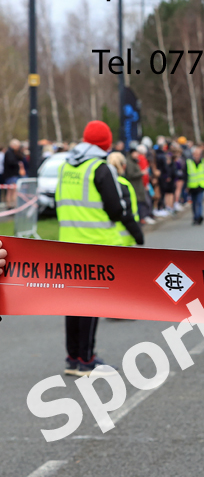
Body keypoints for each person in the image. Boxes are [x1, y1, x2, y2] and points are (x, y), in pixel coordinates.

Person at [56, 121, 140, 376]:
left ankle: (72, 357)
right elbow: (116, 209)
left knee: (72, 304)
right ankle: (86, 359)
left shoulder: (65, 166)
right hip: (94, 245)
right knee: (92, 303)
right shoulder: (100, 168)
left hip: (68, 243)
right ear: (105, 144)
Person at [107, 152, 145, 247]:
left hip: (109, 235)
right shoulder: (123, 184)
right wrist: (137, 234)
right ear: (124, 166)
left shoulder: (104, 183)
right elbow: (126, 212)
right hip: (125, 236)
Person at [186, 143, 204, 225]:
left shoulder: (203, 162)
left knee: (199, 202)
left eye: (198, 154)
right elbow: (186, 174)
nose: (197, 156)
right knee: (194, 203)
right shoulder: (189, 162)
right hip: (192, 186)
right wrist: (186, 185)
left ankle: (199, 216)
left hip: (201, 185)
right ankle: (195, 216)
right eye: (196, 154)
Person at [3, 139, 26, 209]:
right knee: (12, 191)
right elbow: (11, 162)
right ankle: (13, 206)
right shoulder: (9, 153)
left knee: (10, 191)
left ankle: (10, 205)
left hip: (11, 175)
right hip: (11, 175)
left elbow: (21, 157)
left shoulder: (13, 153)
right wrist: (18, 164)